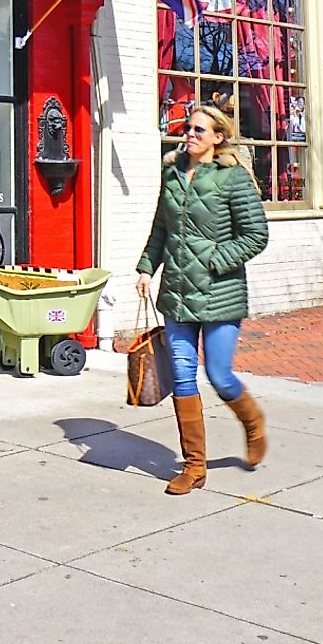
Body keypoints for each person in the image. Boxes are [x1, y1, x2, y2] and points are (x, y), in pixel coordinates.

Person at [136, 99, 271, 495]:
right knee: (181, 375)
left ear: (218, 138)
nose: (189, 134)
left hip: (219, 292)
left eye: (198, 130)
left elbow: (256, 235)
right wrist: (147, 267)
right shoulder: (173, 174)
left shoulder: (233, 180)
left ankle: (252, 422)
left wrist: (214, 260)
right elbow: (161, 229)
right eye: (187, 128)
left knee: (219, 374)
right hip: (177, 293)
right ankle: (194, 466)